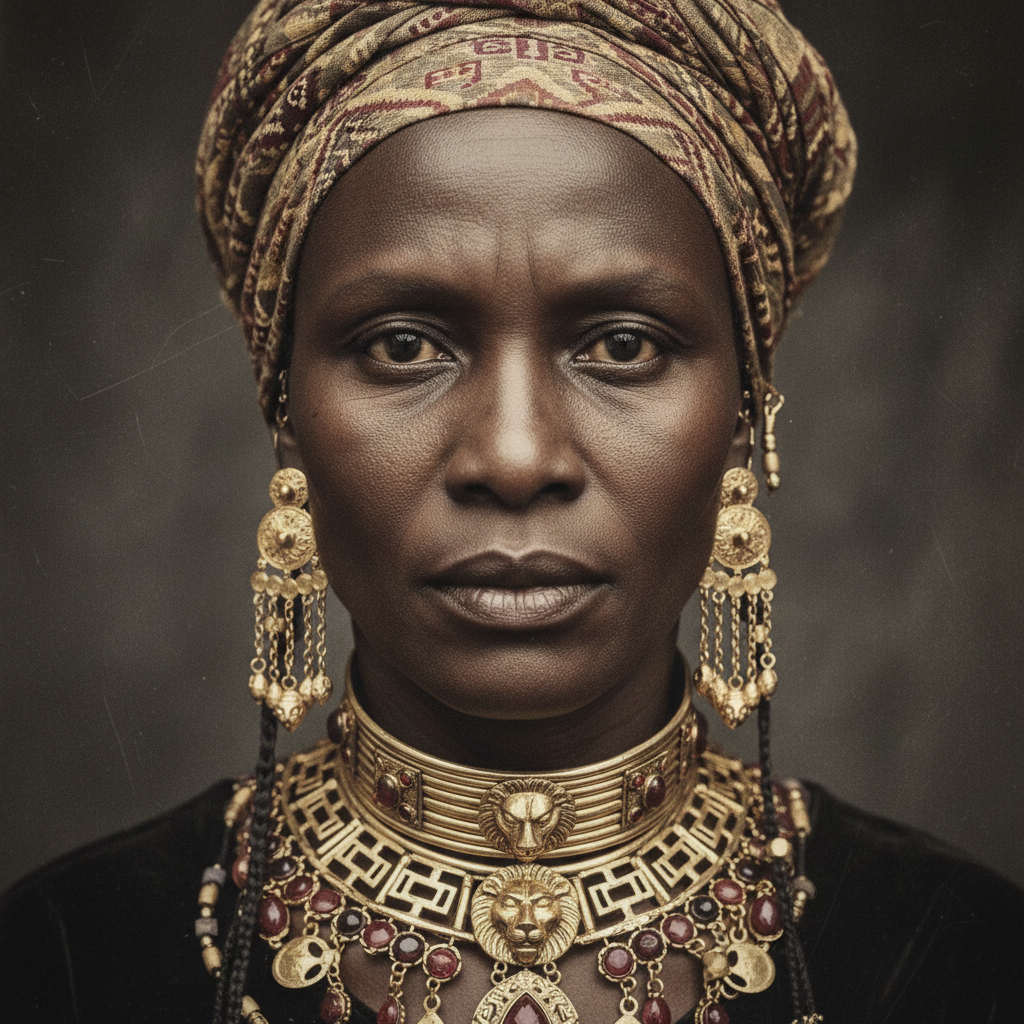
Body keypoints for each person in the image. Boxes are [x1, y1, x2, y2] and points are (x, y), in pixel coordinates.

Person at [2, 1, 1021, 1022]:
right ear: (284, 413)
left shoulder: (959, 957)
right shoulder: (66, 959)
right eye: (403, 345)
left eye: (622, 345)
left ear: (746, 412)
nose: (516, 456)